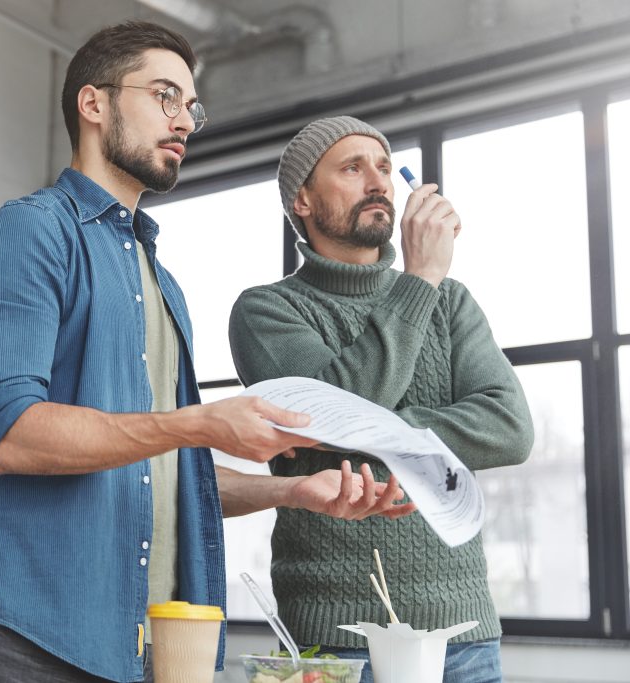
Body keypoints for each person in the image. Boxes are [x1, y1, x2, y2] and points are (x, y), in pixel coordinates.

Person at [0, 24, 415, 683]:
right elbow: (12, 435)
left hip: (152, 649)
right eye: (165, 96)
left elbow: (161, 470)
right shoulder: (28, 234)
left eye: (191, 106)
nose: (185, 122)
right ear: (94, 104)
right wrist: (200, 422)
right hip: (37, 640)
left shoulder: (159, 283)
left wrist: (293, 490)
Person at [228, 116, 535, 683]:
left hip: (464, 635)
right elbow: (326, 415)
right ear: (302, 199)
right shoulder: (267, 311)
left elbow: (510, 428)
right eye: (352, 167)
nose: (379, 182)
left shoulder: (451, 301)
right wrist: (419, 281)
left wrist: (374, 431)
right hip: (335, 638)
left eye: (385, 167)